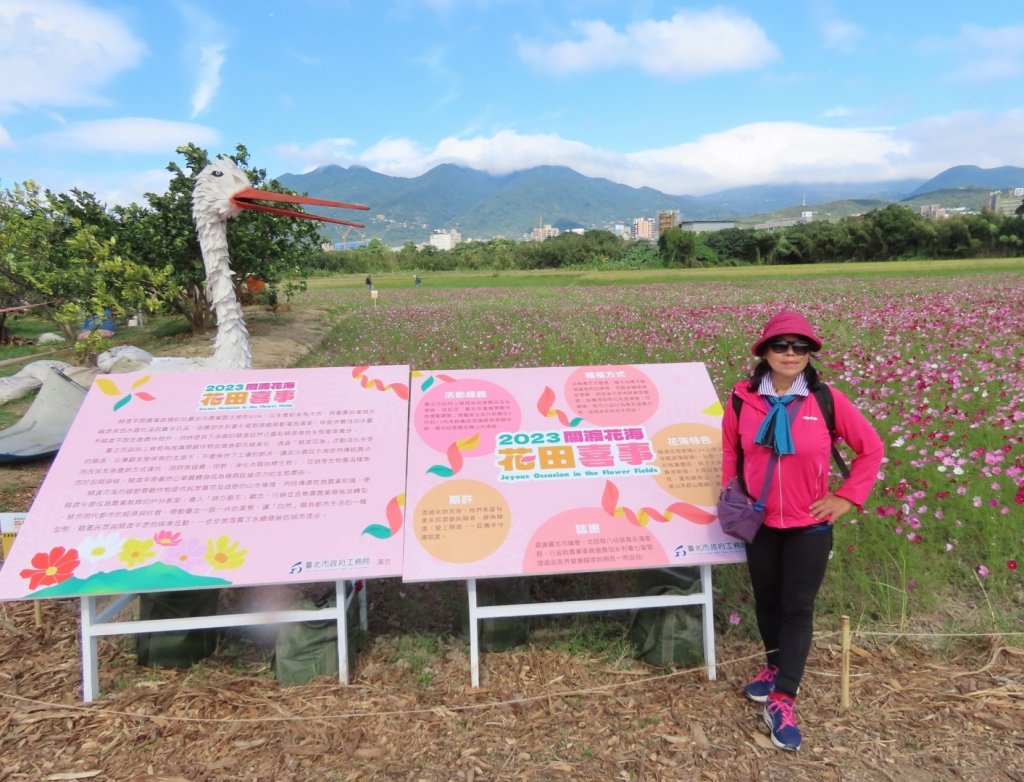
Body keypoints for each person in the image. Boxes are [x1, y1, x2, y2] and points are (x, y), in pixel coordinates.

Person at [720, 310, 883, 752]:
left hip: (809, 525)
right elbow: (731, 451)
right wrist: (732, 492)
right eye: (780, 345)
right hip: (759, 521)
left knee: (796, 607)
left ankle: (783, 697)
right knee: (767, 600)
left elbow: (871, 449)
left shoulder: (826, 399)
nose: (790, 354)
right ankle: (775, 666)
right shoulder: (742, 399)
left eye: (800, 346)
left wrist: (846, 498)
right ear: (764, 351)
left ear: (810, 354)